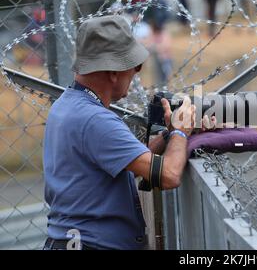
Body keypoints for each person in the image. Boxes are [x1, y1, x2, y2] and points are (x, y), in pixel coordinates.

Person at [42, 15, 213, 250]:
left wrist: (168, 134)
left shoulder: (67, 105)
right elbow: (169, 175)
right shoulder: (95, 120)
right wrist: (181, 134)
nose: (135, 75)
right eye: (135, 66)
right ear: (114, 71)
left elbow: (125, 162)